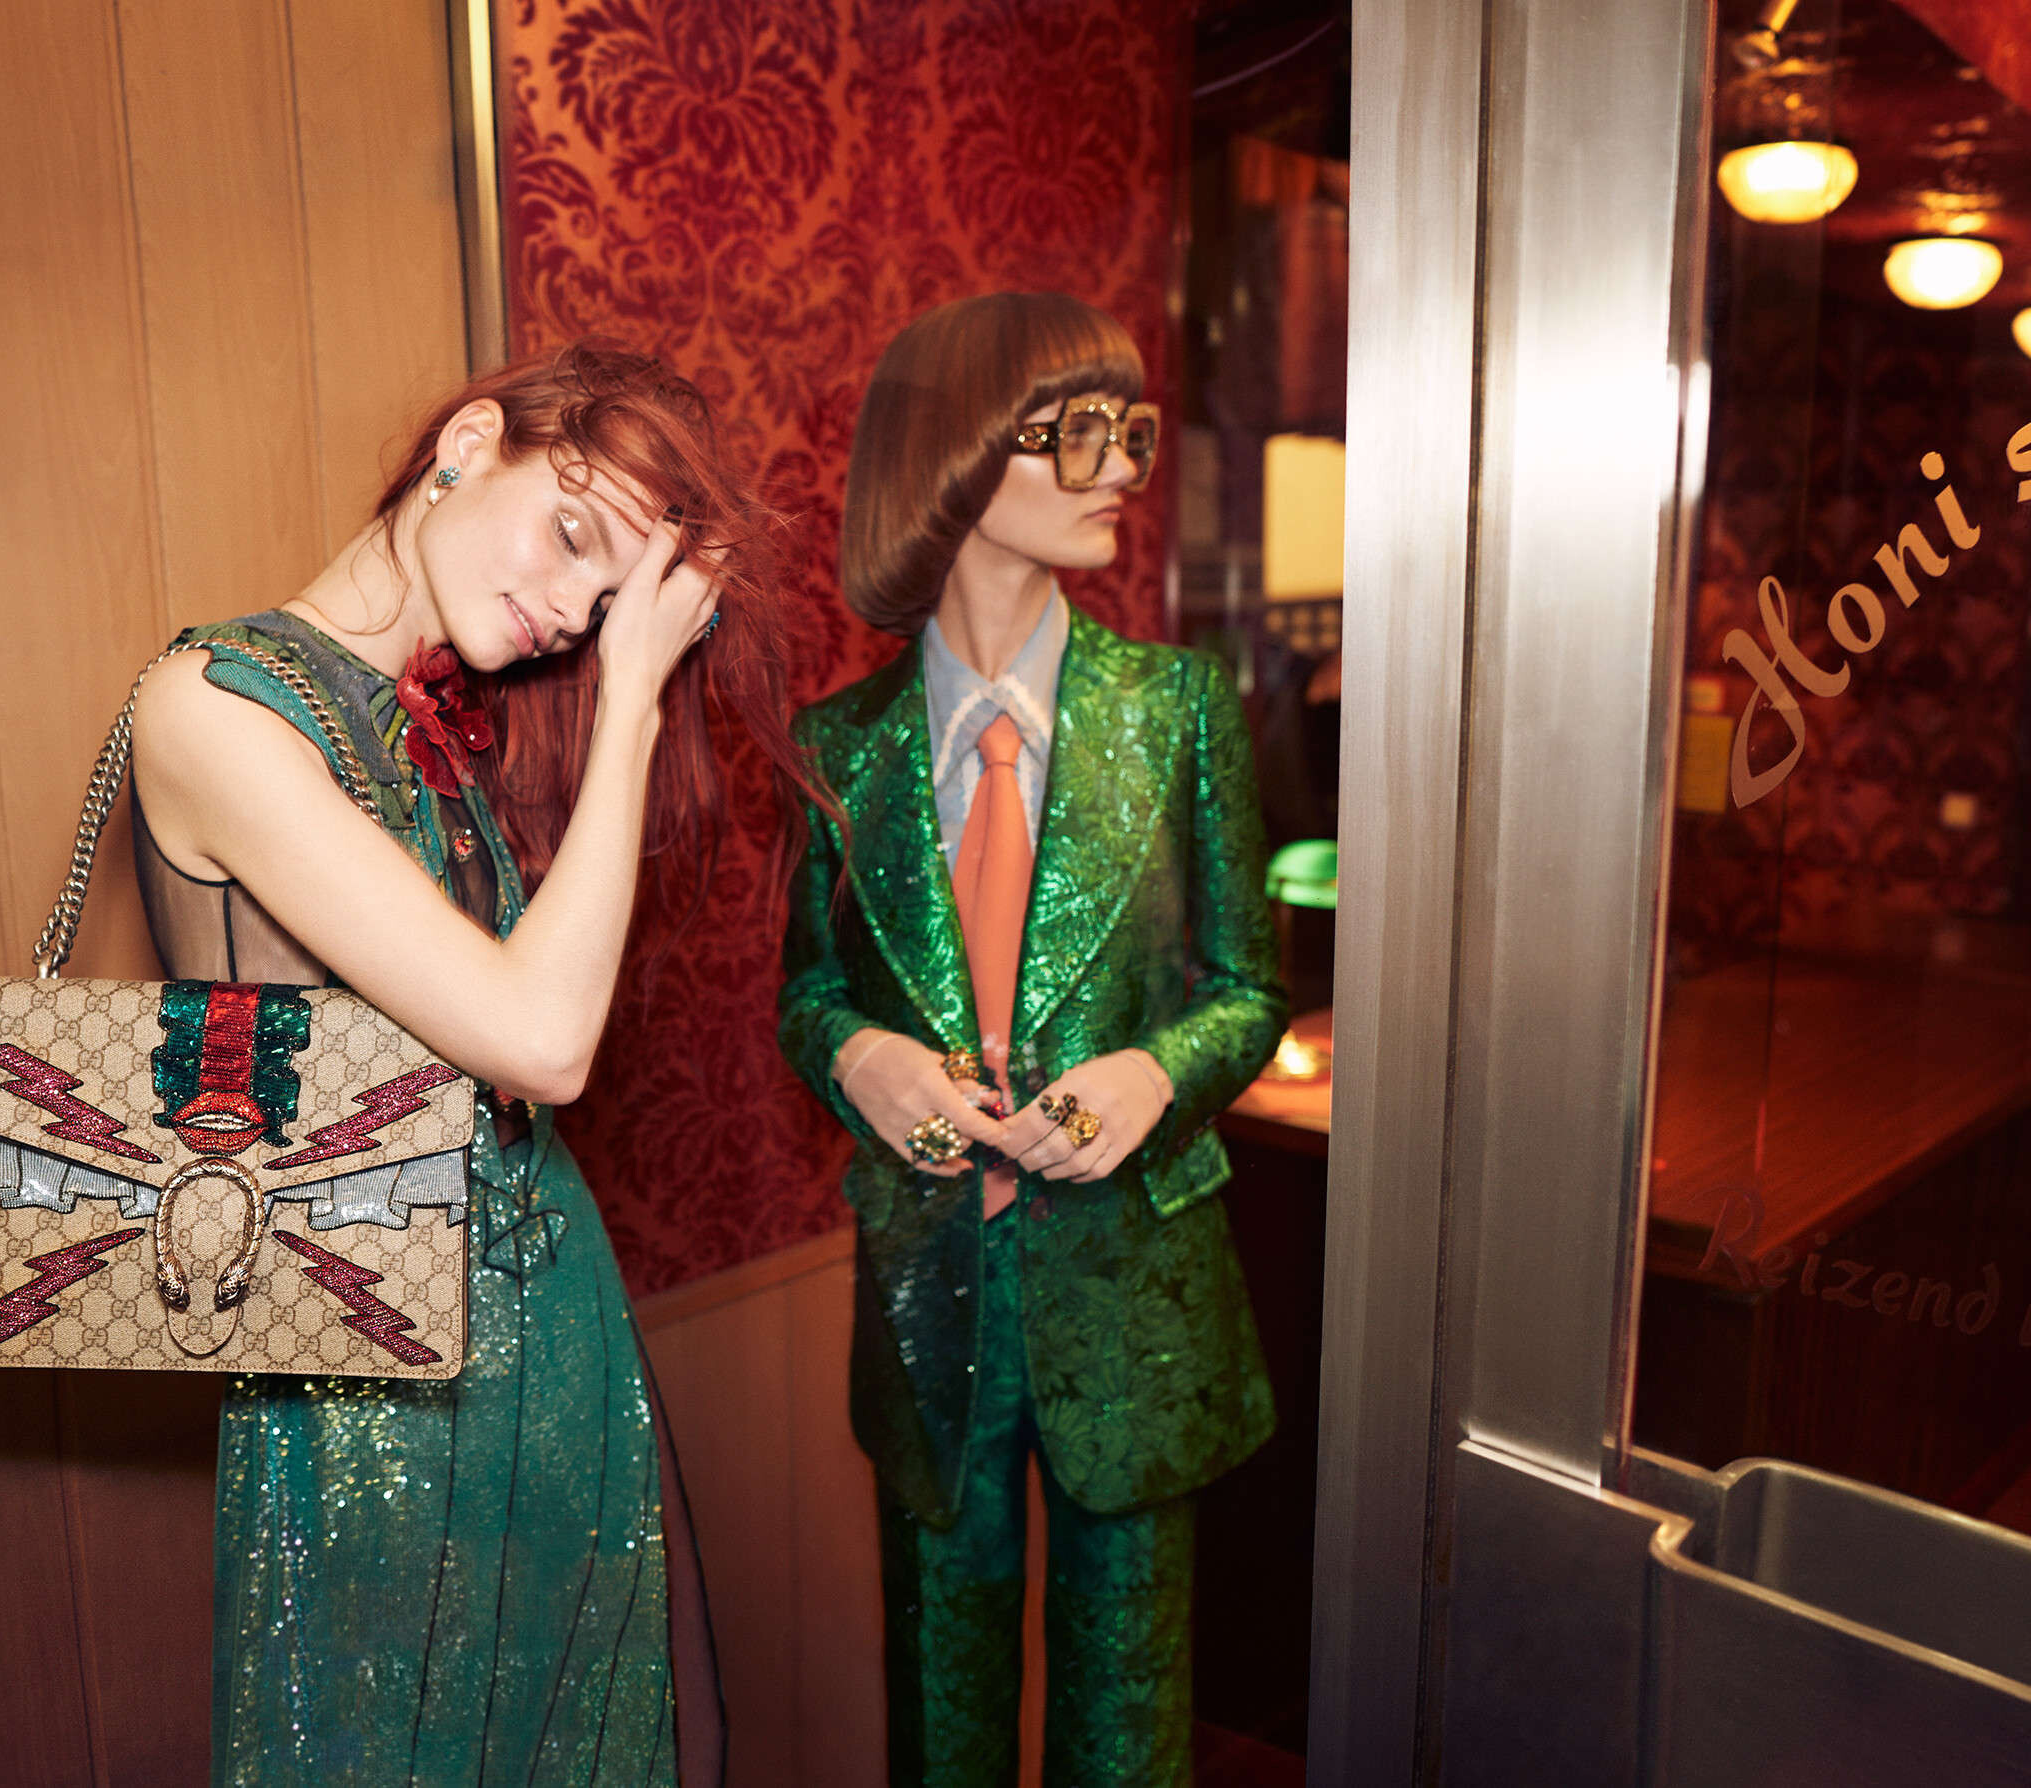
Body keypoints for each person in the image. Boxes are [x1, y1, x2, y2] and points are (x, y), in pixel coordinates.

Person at [130, 341, 819, 1786]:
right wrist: (631, 700)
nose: (574, 614)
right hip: (368, 1370)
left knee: (606, 1737)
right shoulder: (214, 706)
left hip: (553, 1315)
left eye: (611, 604)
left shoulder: (434, 725)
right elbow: (543, 1040)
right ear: (465, 446)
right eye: (571, 537)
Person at [776, 293, 1286, 1786]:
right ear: (954, 453)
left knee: (1129, 1731)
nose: (1121, 466)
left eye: (1133, 433)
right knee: (940, 1717)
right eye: (1078, 433)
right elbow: (808, 994)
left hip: (1136, 1296)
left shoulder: (1179, 709)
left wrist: (1155, 1072)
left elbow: (1249, 989)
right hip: (929, 1286)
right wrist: (860, 1059)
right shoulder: (839, 747)